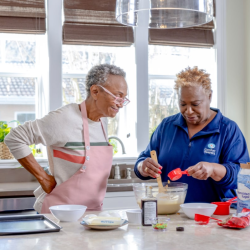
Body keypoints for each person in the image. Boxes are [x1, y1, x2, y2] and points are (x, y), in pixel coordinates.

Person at [5, 64, 129, 213]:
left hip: (89, 215)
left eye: (123, 98)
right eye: (117, 96)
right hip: (58, 214)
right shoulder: (64, 118)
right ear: (95, 92)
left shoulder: (101, 122)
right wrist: (43, 178)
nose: (121, 104)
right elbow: (15, 137)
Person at [134, 66, 249, 203]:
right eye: (183, 104)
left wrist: (213, 169)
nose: (188, 111)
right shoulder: (166, 126)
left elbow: (242, 177)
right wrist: (143, 166)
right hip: (171, 213)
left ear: (209, 96)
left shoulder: (228, 129)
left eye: (195, 104)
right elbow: (143, 161)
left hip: (214, 217)